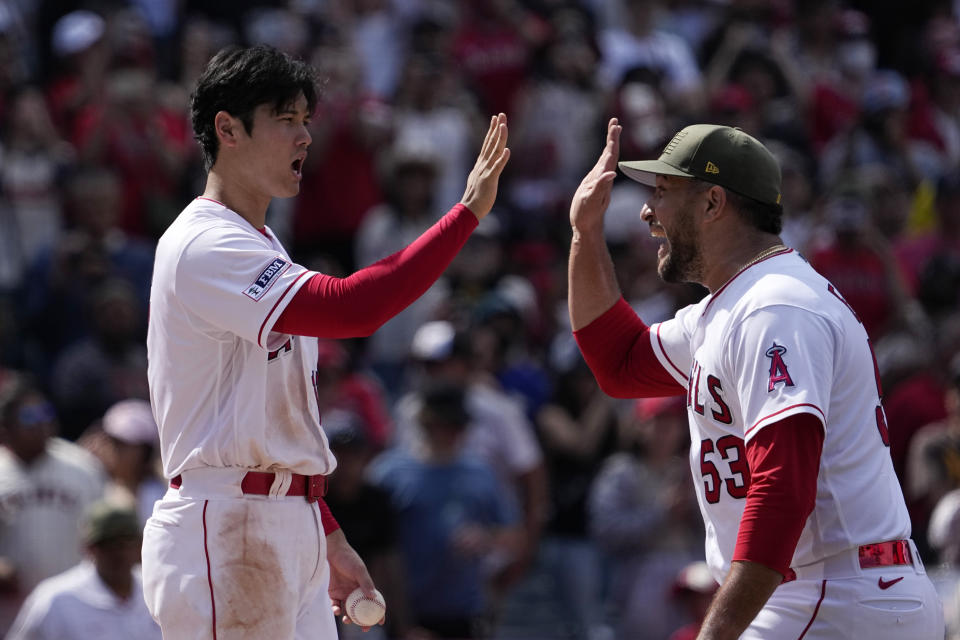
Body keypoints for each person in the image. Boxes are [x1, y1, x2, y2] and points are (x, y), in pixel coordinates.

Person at [141, 44, 509, 640]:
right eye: (286, 119)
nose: (305, 136)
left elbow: (280, 428)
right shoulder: (205, 243)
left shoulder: (263, 246)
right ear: (227, 129)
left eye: (306, 120)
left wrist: (326, 533)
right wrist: (465, 215)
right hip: (224, 525)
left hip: (282, 520)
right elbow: (356, 307)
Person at [567, 118, 944, 639]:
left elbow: (783, 486)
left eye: (663, 192)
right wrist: (585, 234)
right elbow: (619, 362)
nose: (648, 214)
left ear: (713, 203)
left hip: (830, 591)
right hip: (823, 588)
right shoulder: (730, 307)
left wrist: (715, 634)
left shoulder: (776, 306)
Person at [368, 381, 524, 639]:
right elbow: (372, 550)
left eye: (458, 426)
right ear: (425, 424)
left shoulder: (481, 472)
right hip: (403, 614)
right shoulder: (388, 473)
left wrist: (486, 538)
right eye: (444, 425)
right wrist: (400, 621)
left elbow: (515, 537)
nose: (453, 433)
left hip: (465, 612)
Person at [0, 374, 106, 632]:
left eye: (45, 412)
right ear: (6, 428)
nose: (41, 422)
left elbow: (105, 532)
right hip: (10, 613)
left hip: (76, 610)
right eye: (29, 417)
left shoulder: (82, 467)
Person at [6, 500, 162, 640]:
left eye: (126, 542)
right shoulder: (54, 600)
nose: (119, 553)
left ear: (140, 544)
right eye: (107, 544)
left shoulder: (159, 590)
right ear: (89, 549)